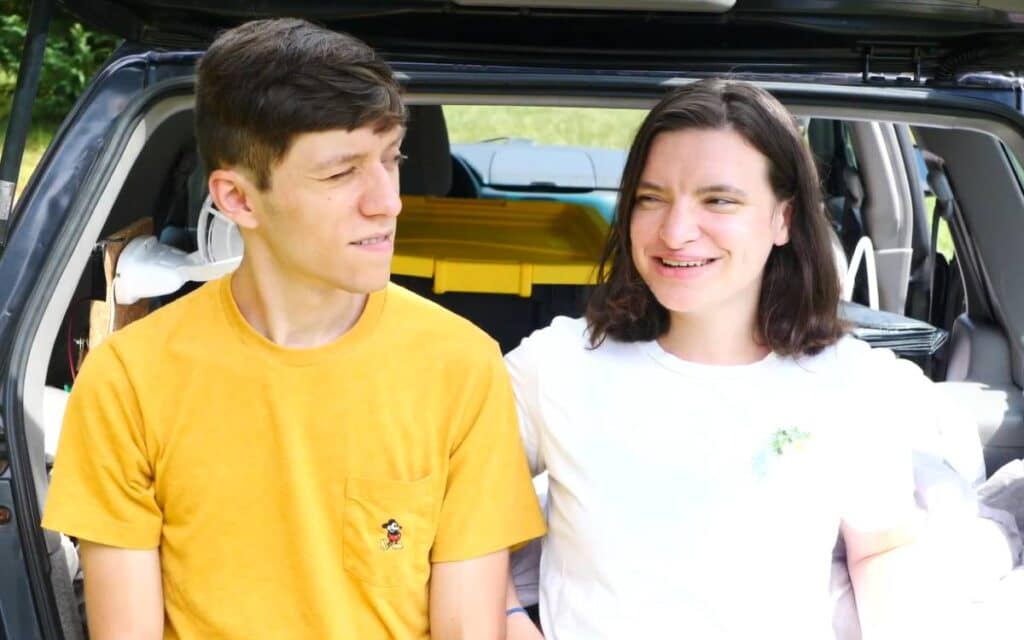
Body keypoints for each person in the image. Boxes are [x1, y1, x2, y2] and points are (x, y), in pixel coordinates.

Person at [43, 18, 545, 639]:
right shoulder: (128, 380)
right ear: (239, 200)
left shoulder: (462, 364)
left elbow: (469, 629)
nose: (387, 200)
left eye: (392, 159)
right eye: (341, 174)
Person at [503, 79, 962, 638]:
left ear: (783, 220)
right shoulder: (558, 366)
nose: (675, 232)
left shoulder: (851, 381)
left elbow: (883, 548)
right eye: (651, 199)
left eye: (718, 200)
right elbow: (442, 509)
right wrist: (506, 621)